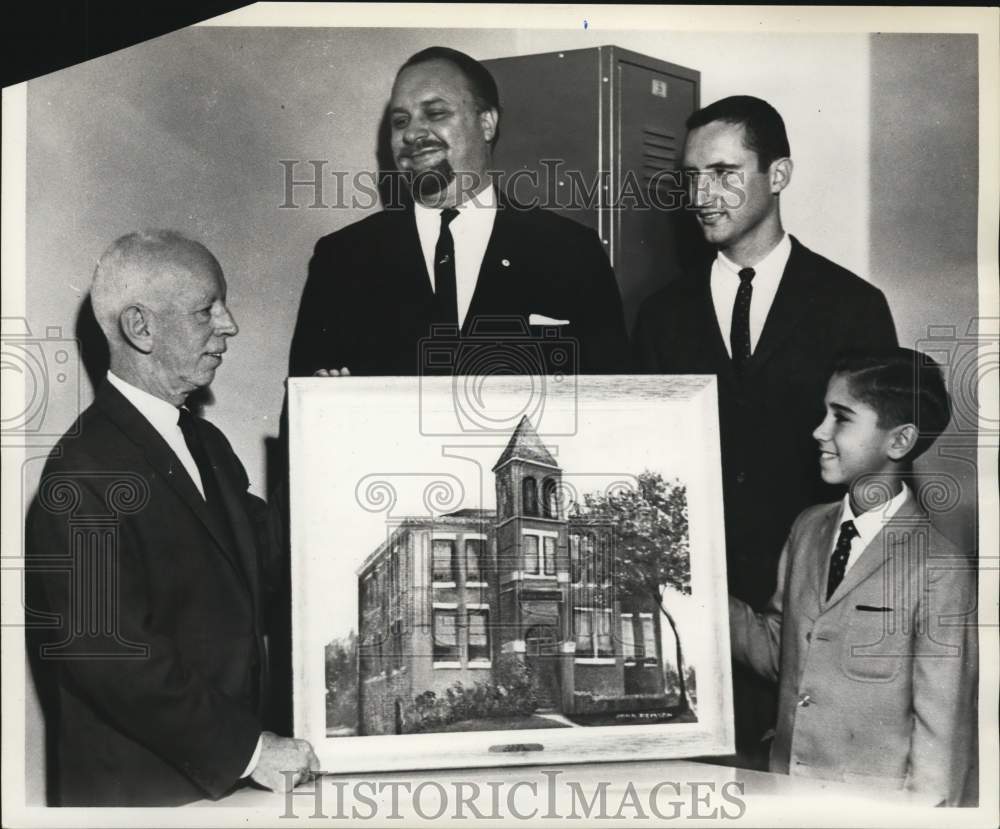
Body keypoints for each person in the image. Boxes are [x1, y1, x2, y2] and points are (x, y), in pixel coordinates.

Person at [631, 95, 898, 765]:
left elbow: (882, 487)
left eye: (724, 172)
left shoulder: (853, 306)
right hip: (696, 624)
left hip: (811, 621)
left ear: (778, 174)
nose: (702, 194)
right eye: (691, 177)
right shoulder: (661, 316)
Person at [26, 231, 318, 806]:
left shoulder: (206, 444)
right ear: (141, 328)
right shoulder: (81, 474)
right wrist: (252, 750)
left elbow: (270, 561)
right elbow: (111, 655)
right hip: (142, 797)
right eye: (208, 308)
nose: (229, 324)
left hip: (220, 788)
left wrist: (336, 443)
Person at [729, 348, 977, 805]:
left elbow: (941, 744)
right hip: (785, 793)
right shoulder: (808, 527)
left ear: (899, 441)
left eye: (841, 418)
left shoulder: (939, 570)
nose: (818, 430)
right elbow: (780, 649)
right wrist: (695, 593)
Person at [288, 46, 630, 378]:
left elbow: (615, 411)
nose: (412, 133)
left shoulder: (570, 250)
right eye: (400, 120)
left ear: (487, 123)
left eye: (435, 113)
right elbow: (300, 419)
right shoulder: (343, 258)